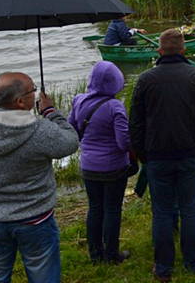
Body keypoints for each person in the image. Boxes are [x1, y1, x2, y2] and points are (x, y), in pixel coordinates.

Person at [0, 72, 79, 283]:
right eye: (32, 90)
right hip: (36, 219)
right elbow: (70, 142)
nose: (35, 93)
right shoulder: (40, 129)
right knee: (43, 275)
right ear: (20, 101)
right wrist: (50, 111)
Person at [129, 29, 195, 281]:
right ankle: (192, 261)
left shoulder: (146, 80)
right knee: (189, 209)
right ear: (184, 50)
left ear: (159, 51)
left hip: (157, 155)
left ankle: (164, 266)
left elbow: (136, 123)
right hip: (190, 153)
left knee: (162, 211)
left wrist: (143, 154)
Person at [68, 61, 131, 264]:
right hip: (114, 167)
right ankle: (112, 254)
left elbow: (73, 131)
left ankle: (95, 254)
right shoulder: (115, 106)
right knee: (112, 209)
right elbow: (123, 143)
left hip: (88, 166)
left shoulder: (78, 101)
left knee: (95, 208)